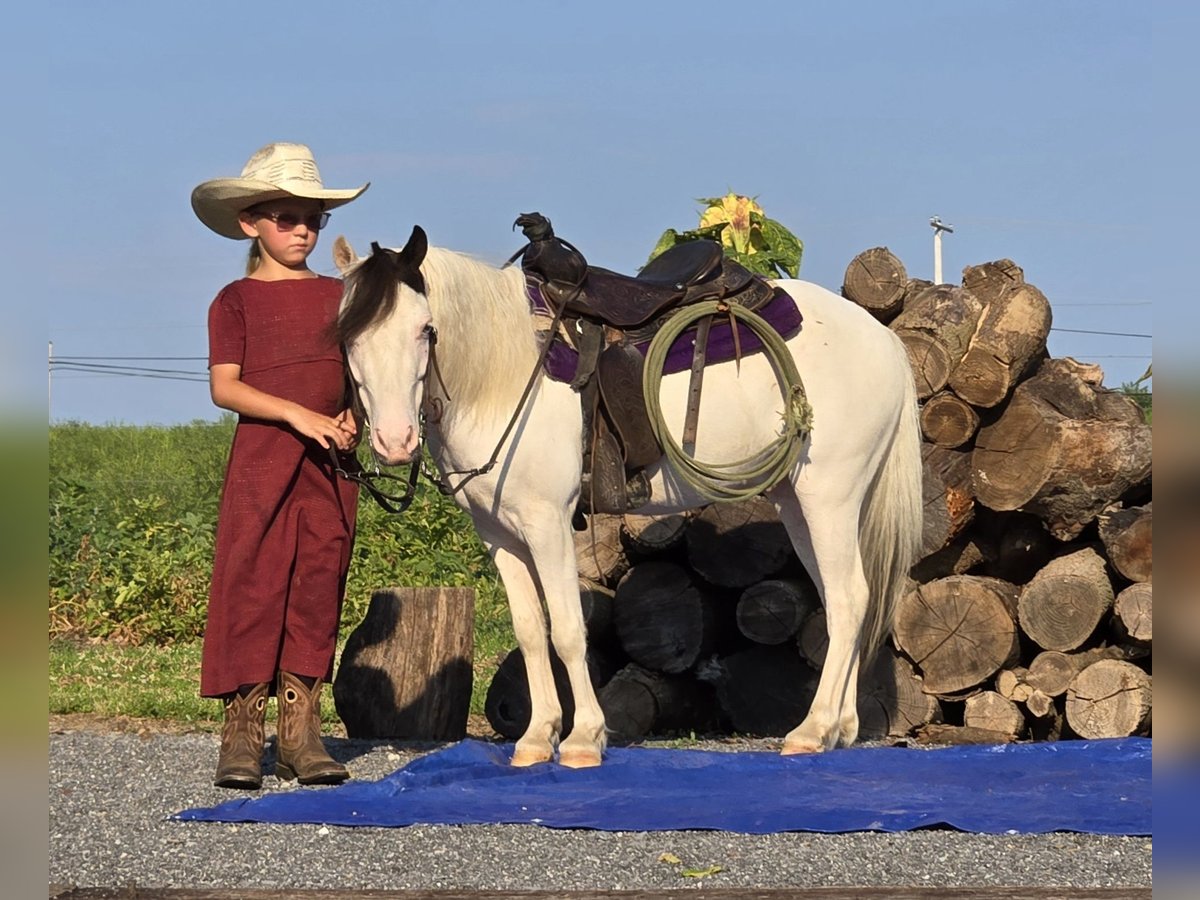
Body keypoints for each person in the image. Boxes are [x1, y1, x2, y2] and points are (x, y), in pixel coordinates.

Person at [190, 142, 369, 789]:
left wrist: (351, 415)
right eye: (285, 218)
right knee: (252, 582)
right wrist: (298, 415)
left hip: (329, 468)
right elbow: (225, 386)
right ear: (250, 223)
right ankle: (242, 732)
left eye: (312, 219)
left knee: (318, 579)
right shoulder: (233, 300)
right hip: (262, 466)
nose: (301, 230)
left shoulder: (338, 296)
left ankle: (300, 732)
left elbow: (356, 376)